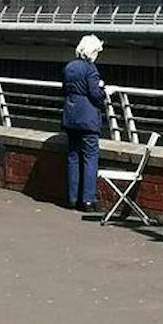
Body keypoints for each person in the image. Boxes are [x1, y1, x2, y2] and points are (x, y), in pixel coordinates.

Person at [60, 34, 107, 212]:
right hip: (87, 118)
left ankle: (72, 198)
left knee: (73, 156)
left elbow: (65, 89)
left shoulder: (69, 67)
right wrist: (103, 90)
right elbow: (95, 94)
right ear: (92, 51)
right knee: (90, 157)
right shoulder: (91, 69)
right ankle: (88, 199)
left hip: (70, 115)